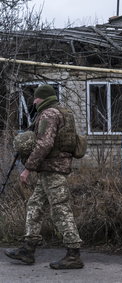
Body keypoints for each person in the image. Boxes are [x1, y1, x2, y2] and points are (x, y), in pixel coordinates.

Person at [4, 84, 84, 269]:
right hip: (52, 169)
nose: (34, 101)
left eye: (36, 98)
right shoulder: (65, 112)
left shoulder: (49, 114)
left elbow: (44, 144)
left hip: (52, 169)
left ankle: (73, 254)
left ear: (44, 98)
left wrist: (27, 168)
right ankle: (28, 249)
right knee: (35, 205)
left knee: (60, 210)